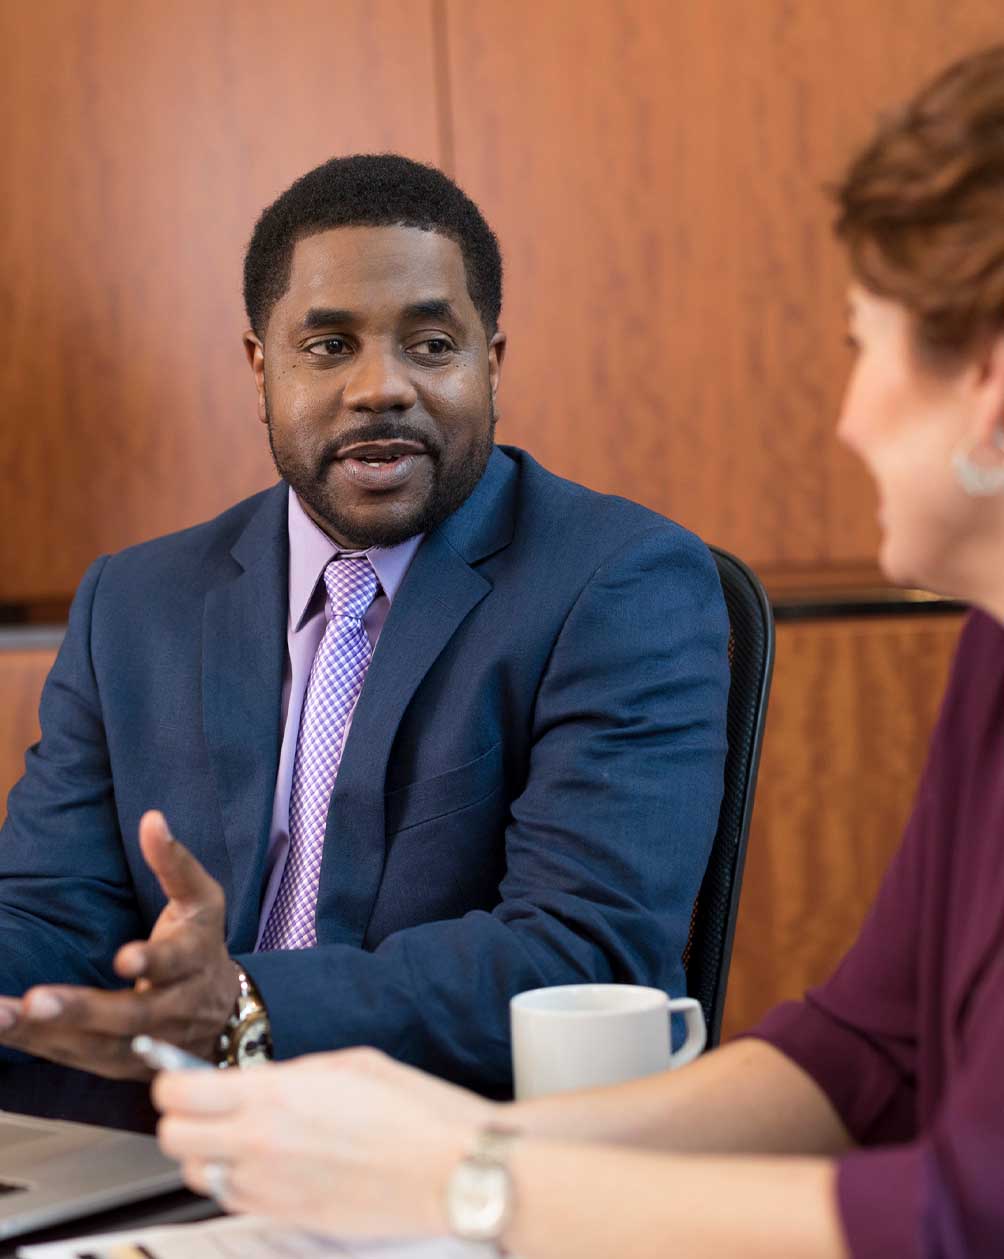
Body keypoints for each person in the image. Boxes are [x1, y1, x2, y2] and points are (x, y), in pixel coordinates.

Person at [155, 45, 1004, 1259]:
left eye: (863, 346)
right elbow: (867, 1051)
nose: (845, 417)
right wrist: (449, 1146)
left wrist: (467, 1183)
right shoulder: (991, 650)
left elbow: (959, 1220)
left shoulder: (614, 578)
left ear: (983, 386)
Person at [0, 156, 730, 1112]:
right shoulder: (135, 602)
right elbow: (51, 911)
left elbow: (583, 951)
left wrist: (245, 1008)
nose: (381, 388)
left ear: (492, 363)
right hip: (150, 1151)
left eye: (431, 344)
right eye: (330, 345)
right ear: (260, 368)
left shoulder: (620, 583)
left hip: (447, 1152)